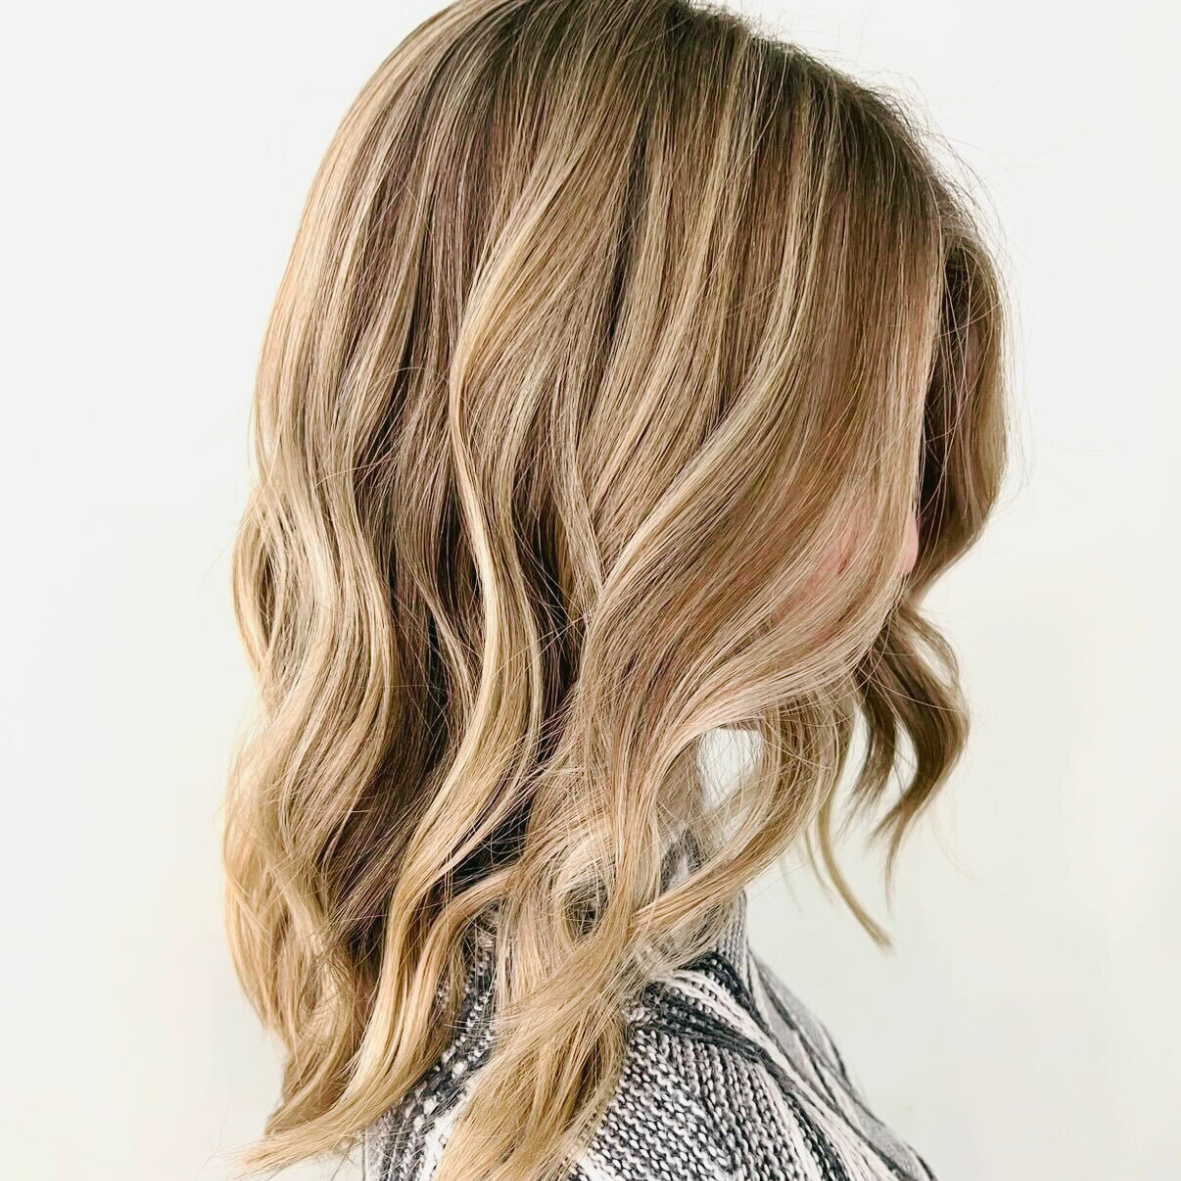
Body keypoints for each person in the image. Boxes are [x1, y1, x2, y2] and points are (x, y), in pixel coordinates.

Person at [220, 1, 1012, 1179]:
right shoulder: (607, 1129)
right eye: (858, 446)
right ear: (638, 453)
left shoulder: (604, 954)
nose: (905, 545)